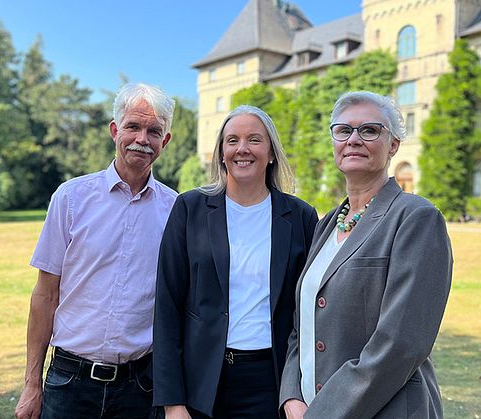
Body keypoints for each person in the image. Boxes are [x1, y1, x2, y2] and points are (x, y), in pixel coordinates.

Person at [279, 91, 453, 419]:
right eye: (343, 130)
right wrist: (291, 395)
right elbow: (301, 326)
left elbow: (401, 344)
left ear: (394, 145)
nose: (354, 139)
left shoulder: (416, 218)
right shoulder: (327, 224)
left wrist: (323, 413)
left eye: (370, 130)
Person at [14, 83, 177, 419]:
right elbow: (45, 296)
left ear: (166, 141)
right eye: (133, 126)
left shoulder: (176, 210)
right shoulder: (71, 198)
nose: (142, 139)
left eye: (154, 131)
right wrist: (32, 383)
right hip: (70, 381)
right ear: (115, 130)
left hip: (140, 387)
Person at [153, 105, 318, 419]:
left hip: (274, 384)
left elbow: (310, 311)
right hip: (201, 387)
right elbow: (167, 307)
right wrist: (172, 403)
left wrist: (298, 390)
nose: (242, 149)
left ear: (270, 153)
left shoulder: (300, 217)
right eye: (232, 140)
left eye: (254, 140)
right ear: (221, 153)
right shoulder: (190, 209)